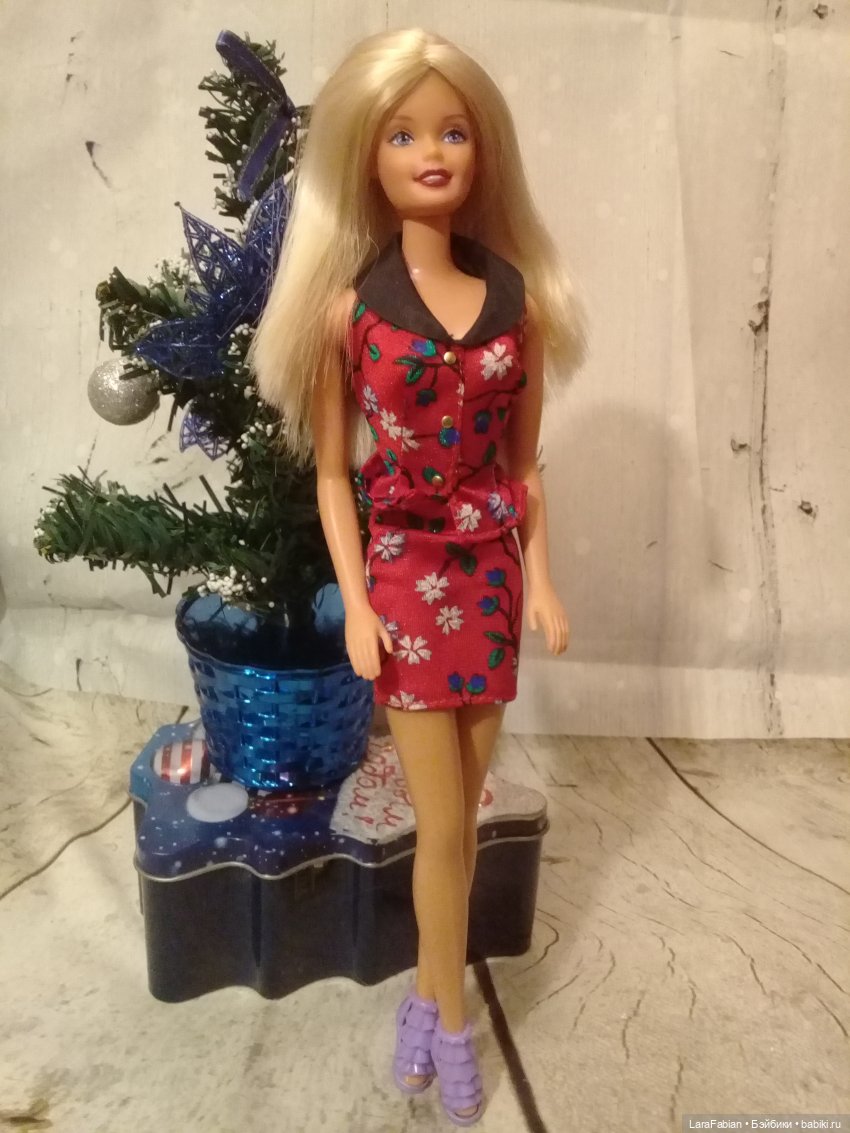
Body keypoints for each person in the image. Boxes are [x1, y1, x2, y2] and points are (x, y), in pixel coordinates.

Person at [248, 27, 588, 1126]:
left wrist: (542, 580)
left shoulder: (517, 303)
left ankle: (424, 996)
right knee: (442, 827)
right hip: (401, 579)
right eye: (403, 135)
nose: (431, 153)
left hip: (487, 582)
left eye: (451, 133)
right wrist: (354, 602)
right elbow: (334, 477)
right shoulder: (350, 312)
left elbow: (524, 466)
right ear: (368, 155)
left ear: (484, 152)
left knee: (465, 822)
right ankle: (446, 1025)